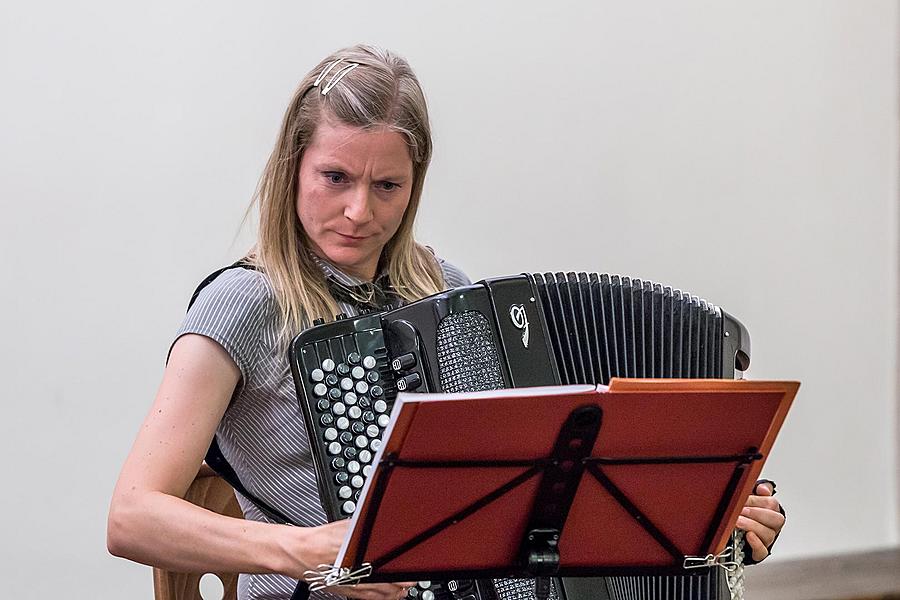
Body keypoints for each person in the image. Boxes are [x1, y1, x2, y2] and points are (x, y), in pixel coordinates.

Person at [107, 44, 784, 600]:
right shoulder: (243, 303)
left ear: (415, 183)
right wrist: (302, 549)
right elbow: (131, 514)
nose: (357, 212)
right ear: (291, 169)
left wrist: (712, 513)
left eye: (386, 186)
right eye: (335, 177)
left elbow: (548, 502)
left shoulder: (451, 295)